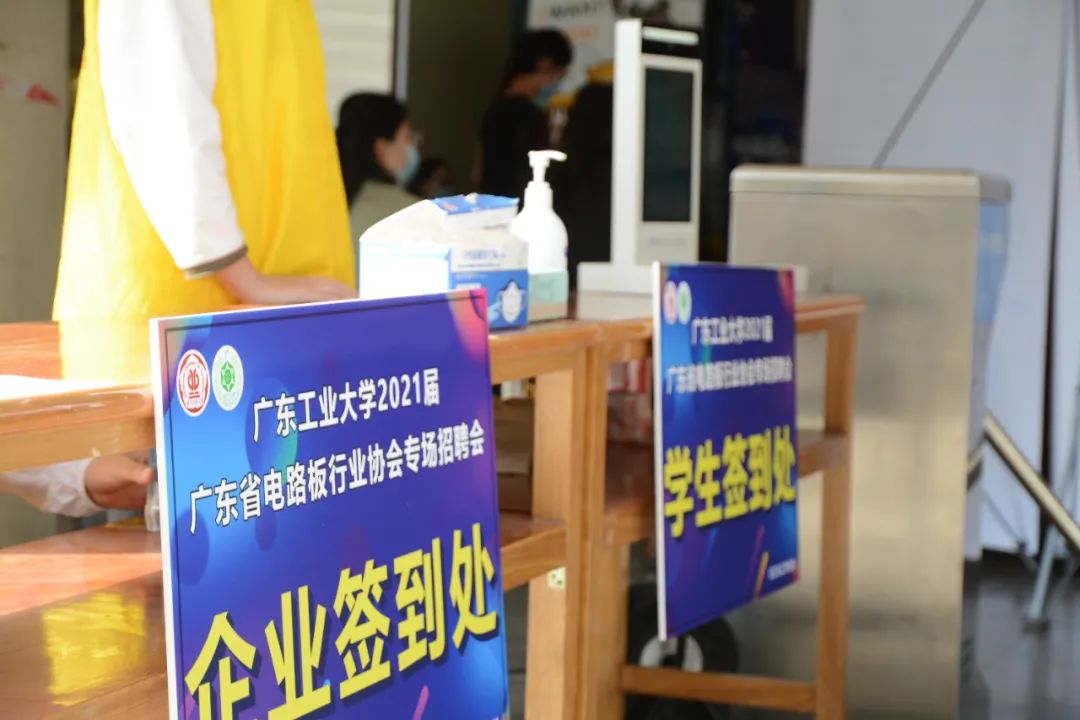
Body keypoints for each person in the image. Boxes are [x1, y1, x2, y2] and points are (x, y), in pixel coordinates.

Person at [4, 0, 358, 516]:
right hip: (198, 322)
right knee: (202, 536)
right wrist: (242, 276)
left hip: (254, 327)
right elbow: (161, 106)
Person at [479, 29, 573, 198]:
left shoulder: (494, 110)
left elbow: (478, 173)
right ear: (545, 65)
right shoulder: (529, 116)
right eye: (560, 73)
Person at [337, 93, 422, 239]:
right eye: (408, 137)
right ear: (381, 148)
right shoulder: (410, 213)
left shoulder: (320, 202)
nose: (412, 146)